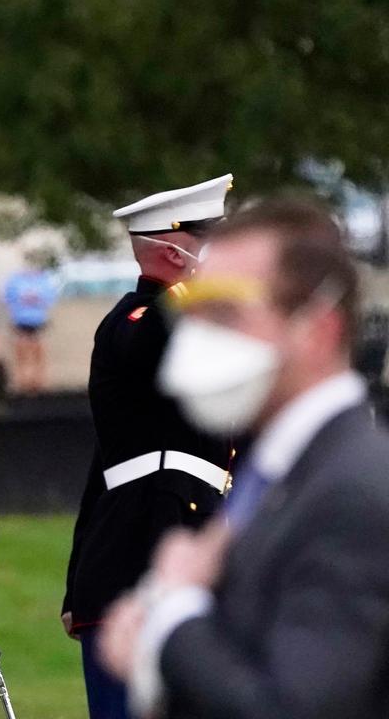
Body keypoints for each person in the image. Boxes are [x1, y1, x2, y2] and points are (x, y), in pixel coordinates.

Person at [99, 199, 389, 719]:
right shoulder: (282, 474)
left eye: (226, 312)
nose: (200, 337)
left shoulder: (353, 492)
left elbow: (292, 706)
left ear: (318, 330)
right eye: (198, 312)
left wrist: (172, 623)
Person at [62, 175, 233, 719]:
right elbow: (115, 465)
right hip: (138, 552)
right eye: (209, 241)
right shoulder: (134, 322)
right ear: (173, 250)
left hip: (191, 540)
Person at [1, 252, 60, 394]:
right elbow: (8, 297)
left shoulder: (44, 279)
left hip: (38, 320)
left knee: (39, 350)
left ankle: (38, 383)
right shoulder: (15, 280)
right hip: (20, 320)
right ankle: (22, 382)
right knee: (21, 351)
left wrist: (36, 298)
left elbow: (50, 298)